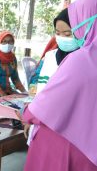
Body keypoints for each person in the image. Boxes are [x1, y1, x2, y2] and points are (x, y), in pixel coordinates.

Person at [21, 0, 97, 170]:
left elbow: (45, 106)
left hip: (66, 147)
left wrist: (26, 113)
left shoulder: (82, 59)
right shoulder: (53, 56)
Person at [25, 8, 79, 144]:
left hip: (67, 131)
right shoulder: (50, 57)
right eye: (57, 33)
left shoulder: (83, 61)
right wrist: (30, 114)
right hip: (41, 122)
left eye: (67, 34)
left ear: (79, 32)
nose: (61, 38)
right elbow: (34, 84)